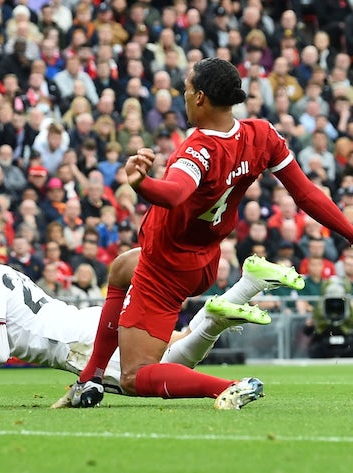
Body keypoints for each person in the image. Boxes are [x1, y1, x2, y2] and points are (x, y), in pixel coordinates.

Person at [69, 58, 353, 410]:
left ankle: (230, 385)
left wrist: (141, 182)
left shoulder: (198, 149)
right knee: (121, 268)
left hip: (167, 266)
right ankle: (90, 378)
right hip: (204, 259)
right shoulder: (261, 134)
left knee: (134, 375)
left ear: (200, 97)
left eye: (186, 91)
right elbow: (306, 193)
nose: (183, 97)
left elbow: (173, 194)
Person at [0, 214, 297, 404]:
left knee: (159, 373)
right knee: (175, 348)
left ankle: (219, 325)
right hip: (81, 325)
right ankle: (248, 284)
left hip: (74, 344)